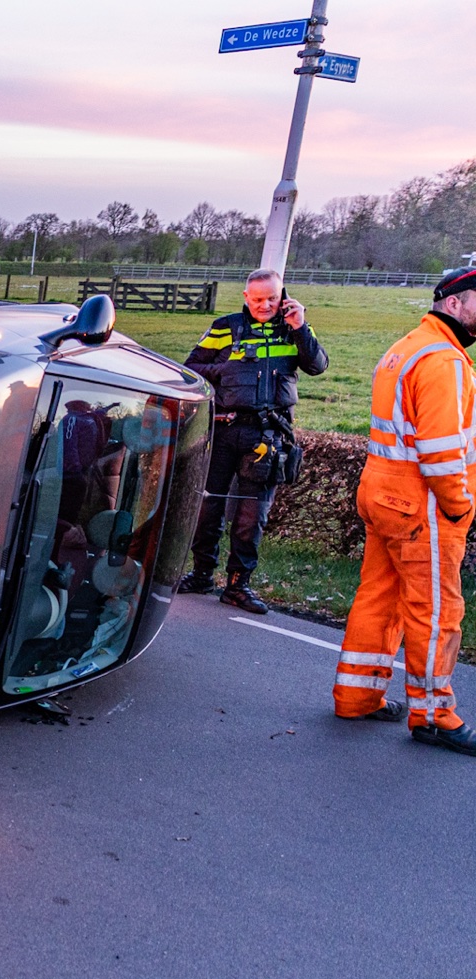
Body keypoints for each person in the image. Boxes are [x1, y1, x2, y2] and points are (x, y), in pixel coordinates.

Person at [331, 267, 476, 754]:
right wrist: (459, 505)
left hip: (382, 494)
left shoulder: (405, 348)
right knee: (436, 612)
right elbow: (441, 451)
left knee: (379, 596)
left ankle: (357, 696)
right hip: (424, 506)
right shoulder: (444, 360)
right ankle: (434, 715)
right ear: (453, 303)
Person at [175, 268, 329, 613]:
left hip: (268, 435)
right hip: (224, 430)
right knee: (208, 505)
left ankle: (237, 585)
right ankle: (201, 574)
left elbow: (318, 366)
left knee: (252, 514)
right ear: (247, 297)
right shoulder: (224, 327)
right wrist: (227, 369)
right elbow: (190, 368)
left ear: (282, 295)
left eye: (272, 298)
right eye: (258, 299)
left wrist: (300, 326)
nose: (265, 305)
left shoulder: (294, 329)